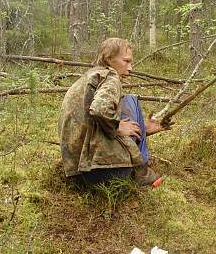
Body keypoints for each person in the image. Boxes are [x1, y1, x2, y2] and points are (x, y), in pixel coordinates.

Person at [57, 38, 171, 187]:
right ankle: (141, 173)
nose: (130, 68)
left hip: (77, 171)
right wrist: (117, 127)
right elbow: (99, 109)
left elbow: (92, 121)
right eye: (126, 61)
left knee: (124, 101)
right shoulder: (110, 76)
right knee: (130, 101)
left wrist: (143, 129)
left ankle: (140, 133)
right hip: (101, 170)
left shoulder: (89, 77)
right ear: (109, 59)